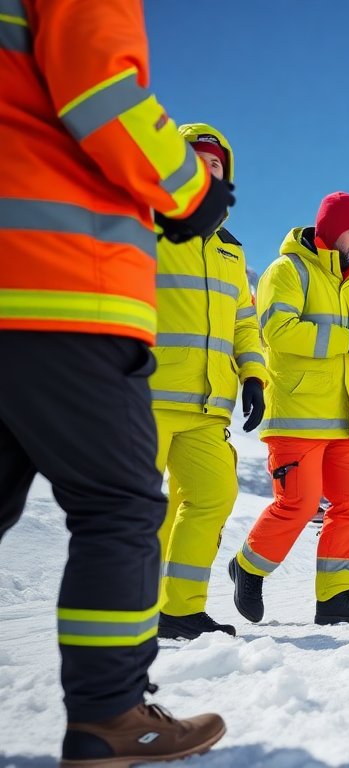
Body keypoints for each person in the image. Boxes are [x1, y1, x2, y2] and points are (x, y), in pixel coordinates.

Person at [0, 1, 233, 763]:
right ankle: (110, 716)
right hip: (55, 286)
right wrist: (191, 189)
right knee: (119, 507)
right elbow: (102, 94)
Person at [228, 192, 349, 626]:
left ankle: (335, 596)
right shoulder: (287, 271)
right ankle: (247, 567)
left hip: (346, 420)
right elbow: (278, 332)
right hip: (297, 413)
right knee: (298, 505)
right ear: (332, 230)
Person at [153, 123, 269, 641]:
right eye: (194, 159)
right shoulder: (145, 226)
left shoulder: (230, 252)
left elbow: (245, 323)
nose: (206, 169)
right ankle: (130, 610)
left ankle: (180, 609)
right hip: (143, 397)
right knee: (134, 511)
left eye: (216, 163)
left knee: (213, 497)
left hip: (206, 406)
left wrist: (253, 375)